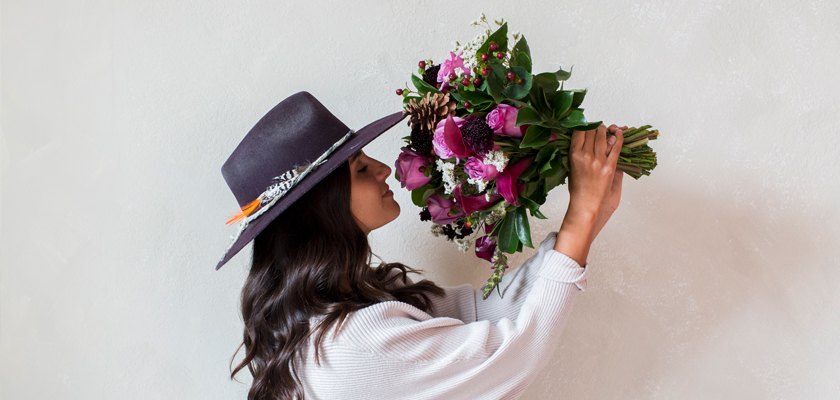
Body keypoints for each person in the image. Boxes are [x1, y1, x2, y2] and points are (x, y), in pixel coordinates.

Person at [215, 91, 625, 400]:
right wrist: (579, 220)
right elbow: (509, 356)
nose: (381, 169)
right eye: (359, 169)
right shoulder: (350, 345)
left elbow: (482, 311)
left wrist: (587, 219)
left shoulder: (353, 303)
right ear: (319, 210)